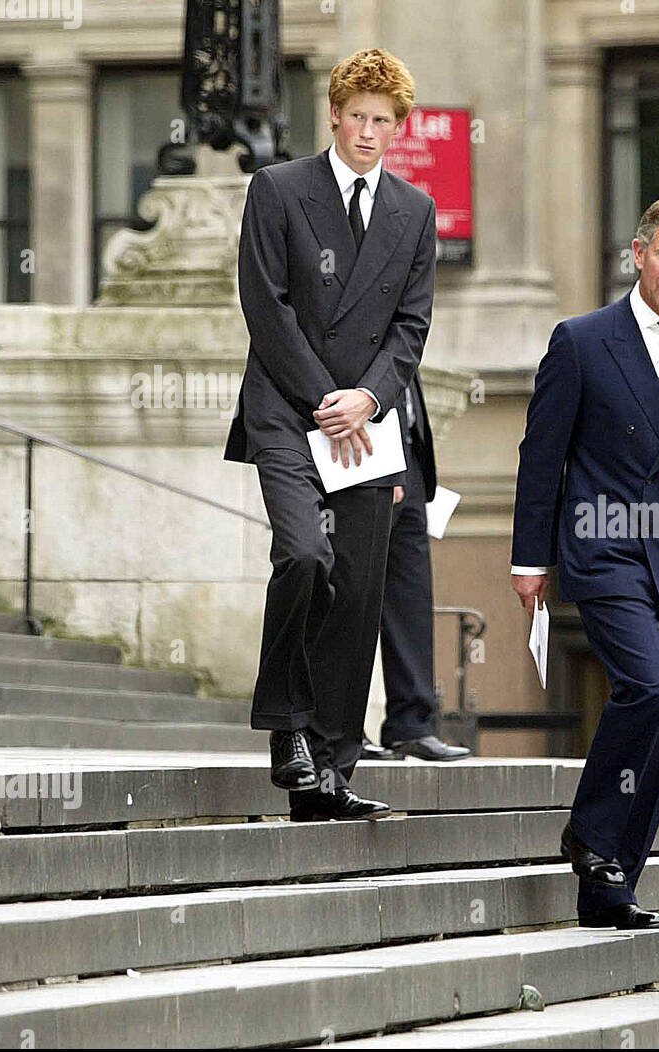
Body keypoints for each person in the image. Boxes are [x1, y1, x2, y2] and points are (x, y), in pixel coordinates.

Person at [510, 196, 659, 931]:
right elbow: (541, 456)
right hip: (604, 545)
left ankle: (611, 882)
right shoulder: (580, 340)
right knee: (653, 683)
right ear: (637, 254)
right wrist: (528, 558)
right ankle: (589, 832)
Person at [224, 48, 438, 820]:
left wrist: (371, 398)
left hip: (367, 421)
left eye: (383, 121)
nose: (369, 132)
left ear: (397, 128)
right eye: (358, 117)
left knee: (362, 587)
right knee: (305, 554)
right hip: (287, 407)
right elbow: (266, 305)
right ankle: (286, 725)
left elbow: (412, 325)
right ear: (336, 116)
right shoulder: (278, 189)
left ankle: (333, 767)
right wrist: (329, 397)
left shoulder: (414, 211)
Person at [363, 365, 471, 763]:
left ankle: (411, 725)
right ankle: (340, 729)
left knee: (410, 596)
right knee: (351, 594)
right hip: (360, 451)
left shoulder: (402, 309)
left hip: (410, 460)